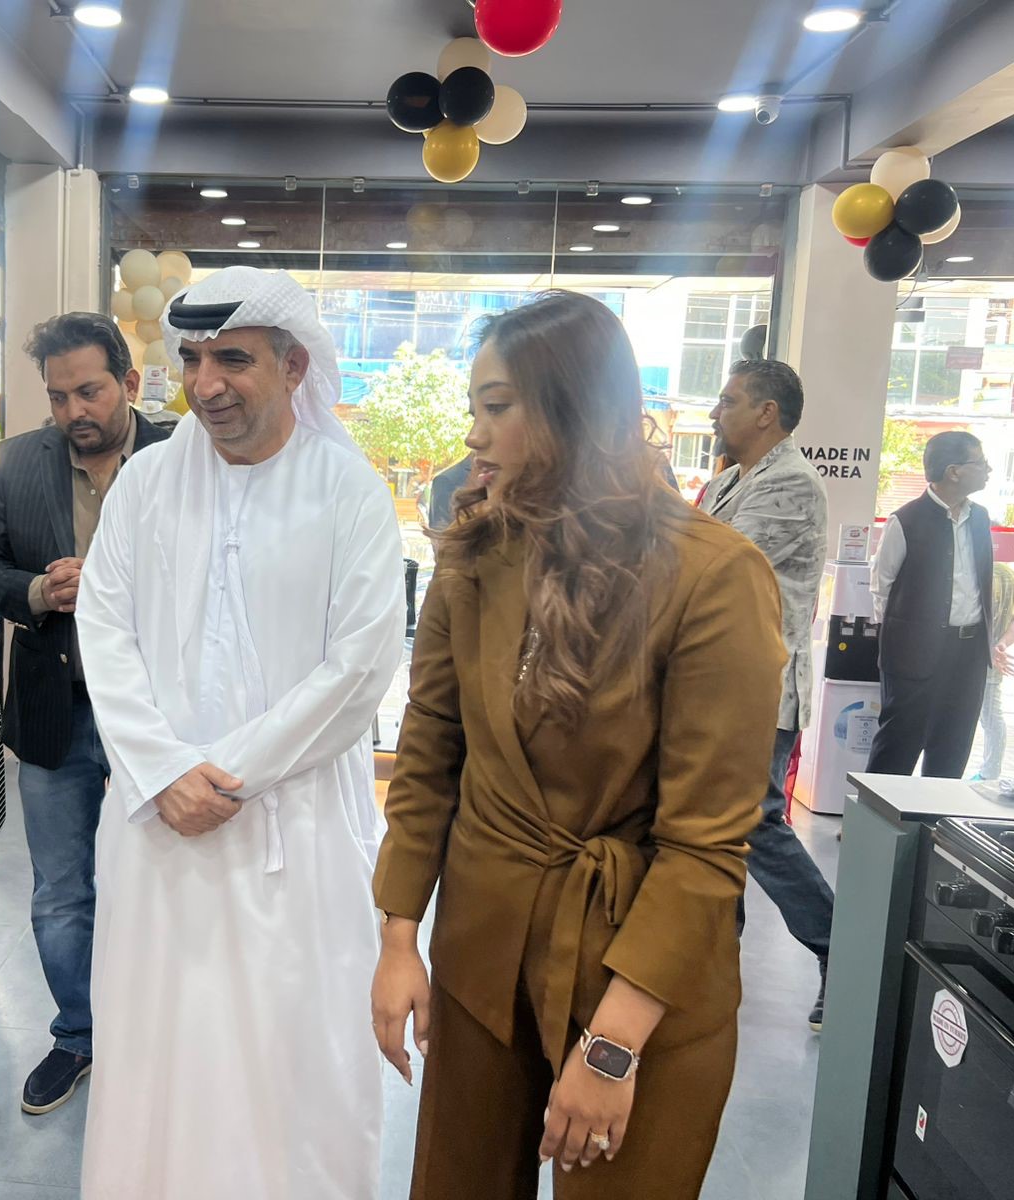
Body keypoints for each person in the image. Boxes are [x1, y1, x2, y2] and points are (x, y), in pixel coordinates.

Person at [371, 292, 786, 1199]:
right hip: (482, 950)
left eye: (496, 407)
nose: (473, 434)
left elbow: (707, 844)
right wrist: (400, 936)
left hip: (638, 970)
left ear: (573, 410)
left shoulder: (714, 575)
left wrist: (611, 1046)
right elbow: (431, 749)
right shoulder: (476, 553)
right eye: (474, 407)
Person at [75, 267, 404, 1200]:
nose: (206, 383)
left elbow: (360, 667)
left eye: (233, 360)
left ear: (295, 367)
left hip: (292, 838)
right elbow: (104, 628)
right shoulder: (146, 482)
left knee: (293, 1062)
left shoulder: (348, 491)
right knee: (158, 1058)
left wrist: (229, 777)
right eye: (192, 359)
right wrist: (162, 771)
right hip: (158, 832)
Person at [0, 312, 170, 1115]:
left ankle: (156, 1036)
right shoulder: (18, 461)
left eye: (89, 392)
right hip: (57, 710)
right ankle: (77, 1037)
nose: (73, 411)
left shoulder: (181, 455)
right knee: (59, 890)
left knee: (163, 883)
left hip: (157, 716)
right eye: (58, 397)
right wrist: (38, 591)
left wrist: (121, 588)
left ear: (129, 382)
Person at [700, 359, 836, 1030]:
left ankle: (840, 947)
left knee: (754, 821)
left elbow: (710, 563)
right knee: (711, 824)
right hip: (715, 683)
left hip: (761, 685)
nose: (714, 412)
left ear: (766, 413)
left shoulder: (791, 485)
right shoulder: (731, 480)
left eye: (728, 401)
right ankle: (709, 960)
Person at [867, 431, 994, 778]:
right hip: (914, 654)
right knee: (898, 745)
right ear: (953, 471)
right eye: (980, 463)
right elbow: (881, 588)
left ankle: (936, 814)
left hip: (968, 653)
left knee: (953, 747)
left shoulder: (980, 518)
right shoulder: (906, 520)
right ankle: (874, 814)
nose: (988, 469)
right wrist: (901, 643)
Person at [976, 562, 1014, 780]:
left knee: (955, 718)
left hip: (967, 661)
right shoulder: (1010, 576)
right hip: (994, 661)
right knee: (992, 717)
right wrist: (1001, 644)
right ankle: (990, 772)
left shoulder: (975, 573)